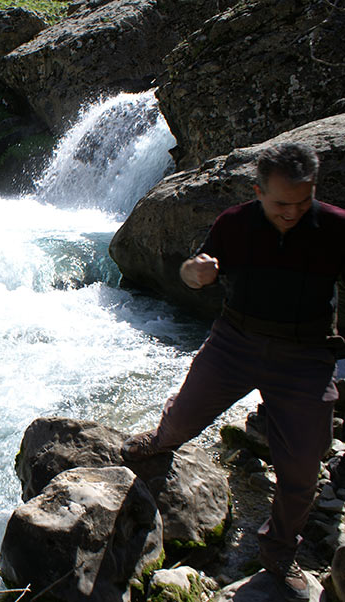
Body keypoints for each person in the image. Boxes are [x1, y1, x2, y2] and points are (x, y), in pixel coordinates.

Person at [121, 142, 345, 602]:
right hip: (236, 341)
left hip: (306, 354)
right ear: (258, 191)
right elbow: (190, 271)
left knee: (304, 465)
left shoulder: (337, 227)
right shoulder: (234, 223)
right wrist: (193, 273)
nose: (292, 213)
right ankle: (162, 440)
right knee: (183, 419)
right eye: (281, 203)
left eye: (302, 202)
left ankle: (280, 550)